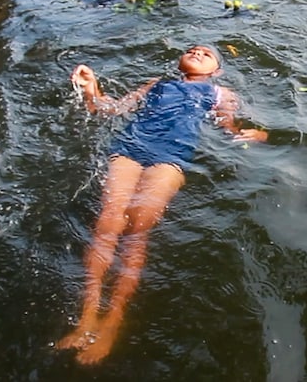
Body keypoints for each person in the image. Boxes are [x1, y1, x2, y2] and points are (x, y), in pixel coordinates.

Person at [56, 44, 268, 364]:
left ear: (216, 70)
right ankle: (87, 317)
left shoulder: (219, 93)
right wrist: (91, 86)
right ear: (180, 60)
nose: (197, 53)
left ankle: (112, 322)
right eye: (192, 50)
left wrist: (255, 135)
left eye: (206, 54)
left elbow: (230, 130)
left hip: (170, 158)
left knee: (137, 230)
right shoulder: (157, 83)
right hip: (129, 148)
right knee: (109, 219)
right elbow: (109, 108)